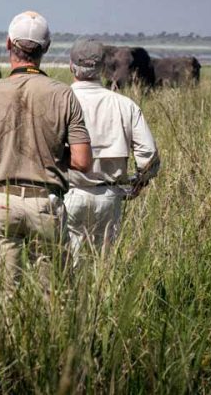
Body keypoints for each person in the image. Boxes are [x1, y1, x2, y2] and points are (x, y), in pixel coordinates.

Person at [0, 11, 92, 289]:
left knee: (2, 294)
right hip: (45, 203)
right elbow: (82, 161)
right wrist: (52, 154)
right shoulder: (63, 94)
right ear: (46, 48)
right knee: (52, 295)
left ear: (9, 44)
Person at [65, 39, 160, 263]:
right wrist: (139, 183)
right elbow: (148, 155)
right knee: (103, 266)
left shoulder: (58, 101)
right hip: (109, 194)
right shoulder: (125, 104)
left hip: (67, 193)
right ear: (103, 68)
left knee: (67, 265)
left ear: (71, 66)